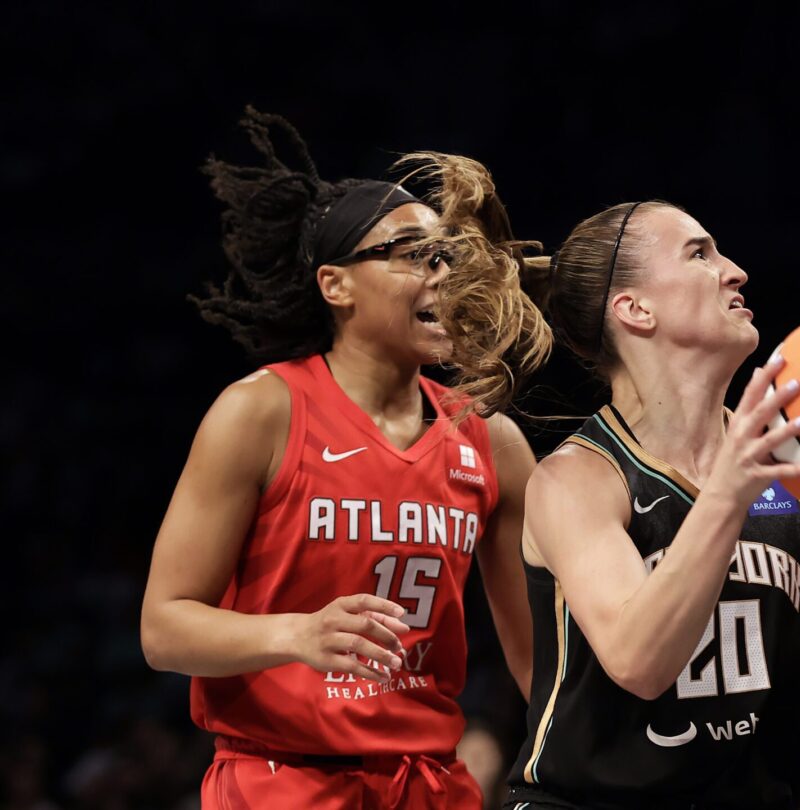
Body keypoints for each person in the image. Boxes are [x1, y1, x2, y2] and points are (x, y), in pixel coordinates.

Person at [431, 187, 800, 809]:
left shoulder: (796, 467)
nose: (735, 271)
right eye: (700, 254)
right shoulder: (577, 479)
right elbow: (639, 660)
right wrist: (729, 487)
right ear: (635, 309)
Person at [139, 109, 549, 808]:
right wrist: (296, 633)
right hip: (280, 780)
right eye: (412, 253)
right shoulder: (262, 412)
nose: (443, 272)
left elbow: (539, 660)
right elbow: (164, 626)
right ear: (337, 285)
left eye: (445, 255)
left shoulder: (492, 442)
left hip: (430, 783)